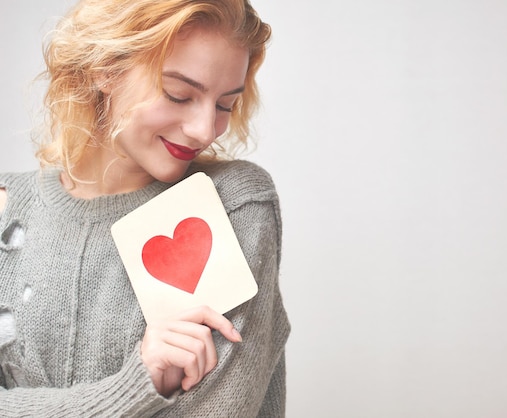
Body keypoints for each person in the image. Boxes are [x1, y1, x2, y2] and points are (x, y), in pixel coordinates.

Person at [0, 0, 290, 416]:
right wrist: (136, 387)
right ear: (106, 69)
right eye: (179, 94)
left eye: (225, 104)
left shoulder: (232, 204)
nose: (204, 129)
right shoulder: (8, 215)